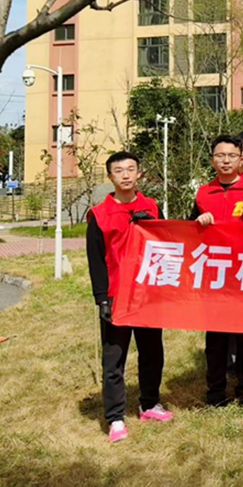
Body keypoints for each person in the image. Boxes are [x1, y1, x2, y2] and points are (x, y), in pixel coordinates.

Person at [87, 151, 172, 442]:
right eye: (119, 170)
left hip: (148, 293)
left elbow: (165, 246)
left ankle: (150, 403)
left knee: (152, 351)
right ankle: (115, 417)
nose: (125, 175)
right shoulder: (99, 214)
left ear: (139, 173)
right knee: (114, 358)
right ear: (110, 177)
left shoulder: (152, 206)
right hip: (117, 295)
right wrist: (102, 298)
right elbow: (96, 260)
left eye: (130, 169)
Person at [192, 135, 243, 406]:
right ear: (212, 160)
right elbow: (188, 231)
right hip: (215, 273)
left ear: (241, 159)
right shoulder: (203, 193)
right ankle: (215, 391)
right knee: (215, 336)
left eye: (231, 156)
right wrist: (199, 221)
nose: (226, 161)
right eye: (220, 156)